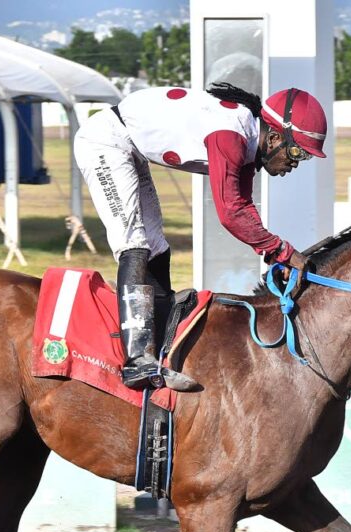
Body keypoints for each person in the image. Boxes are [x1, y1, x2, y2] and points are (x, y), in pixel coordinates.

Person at [73, 82, 328, 391]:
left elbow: (243, 209)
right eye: (297, 152)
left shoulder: (248, 139)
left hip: (129, 147)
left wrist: (276, 252)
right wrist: (283, 251)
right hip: (105, 143)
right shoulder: (231, 136)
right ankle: (137, 360)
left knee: (155, 245)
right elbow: (230, 214)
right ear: (274, 137)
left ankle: (161, 342)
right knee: (135, 245)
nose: (295, 163)